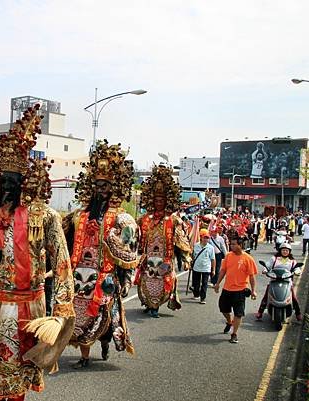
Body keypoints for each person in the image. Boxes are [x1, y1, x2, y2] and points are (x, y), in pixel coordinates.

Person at [0, 105, 75, 401]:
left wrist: (61, 311)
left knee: (18, 378)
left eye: (14, 180)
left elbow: (62, 264)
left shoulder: (43, 216)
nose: (8, 185)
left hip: (26, 308)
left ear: (25, 182)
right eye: (3, 180)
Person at [63, 141, 137, 368]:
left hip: (104, 279)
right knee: (78, 318)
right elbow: (63, 244)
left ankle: (104, 342)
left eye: (105, 185)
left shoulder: (123, 219)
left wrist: (126, 280)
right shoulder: (78, 216)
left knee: (102, 317)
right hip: (78, 278)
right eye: (97, 185)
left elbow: (129, 255)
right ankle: (84, 356)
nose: (101, 189)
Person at [135, 165, 191, 318]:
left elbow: (181, 240)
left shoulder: (173, 221)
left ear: (167, 201)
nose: (159, 202)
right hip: (147, 259)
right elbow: (135, 237)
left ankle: (155, 307)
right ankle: (148, 303)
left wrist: (186, 258)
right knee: (146, 281)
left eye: (162, 200)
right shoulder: (144, 219)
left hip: (165, 259)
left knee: (161, 282)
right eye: (156, 199)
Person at [214, 231, 258, 344]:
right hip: (227, 289)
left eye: (234, 244)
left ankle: (234, 334)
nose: (231, 246)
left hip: (240, 291)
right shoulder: (228, 256)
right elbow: (223, 270)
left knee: (238, 313)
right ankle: (229, 322)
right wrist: (217, 283)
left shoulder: (248, 259)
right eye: (231, 244)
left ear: (240, 245)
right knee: (223, 309)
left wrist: (253, 291)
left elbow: (252, 276)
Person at [254, 243, 302, 321]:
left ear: (289, 252)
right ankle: (260, 312)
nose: (285, 252)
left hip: (287, 282)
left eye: (287, 250)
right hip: (274, 280)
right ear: (280, 250)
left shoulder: (292, 261)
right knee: (266, 296)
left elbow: (296, 268)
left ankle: (298, 313)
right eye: (283, 250)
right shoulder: (274, 259)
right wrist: (265, 270)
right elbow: (268, 265)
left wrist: (297, 271)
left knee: (293, 297)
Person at [190, 229, 216, 304]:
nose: (206, 239)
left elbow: (213, 259)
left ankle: (203, 298)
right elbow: (192, 256)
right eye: (204, 237)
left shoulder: (210, 247)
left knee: (204, 284)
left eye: (207, 238)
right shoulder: (196, 245)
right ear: (201, 237)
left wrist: (213, 270)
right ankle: (196, 294)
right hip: (196, 267)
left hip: (206, 268)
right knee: (196, 283)